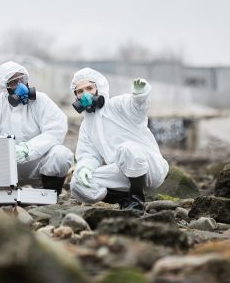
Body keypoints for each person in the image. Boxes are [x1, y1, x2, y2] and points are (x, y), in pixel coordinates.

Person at [69, 67, 169, 215]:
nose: (85, 94)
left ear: (99, 88)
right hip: (122, 171)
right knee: (77, 183)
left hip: (149, 167)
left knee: (127, 149)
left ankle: (137, 201)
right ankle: (125, 200)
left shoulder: (117, 105)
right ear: (76, 96)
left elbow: (137, 108)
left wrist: (140, 95)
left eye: (89, 88)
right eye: (80, 91)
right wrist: (84, 167)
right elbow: (88, 154)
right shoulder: (86, 125)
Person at [0, 61, 74, 194]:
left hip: (37, 166)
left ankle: (49, 195)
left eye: (23, 79)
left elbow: (56, 129)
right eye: (14, 82)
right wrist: (1, 149)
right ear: (5, 87)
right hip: (4, 168)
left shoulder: (41, 101)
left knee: (61, 154)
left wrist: (29, 149)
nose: (20, 85)